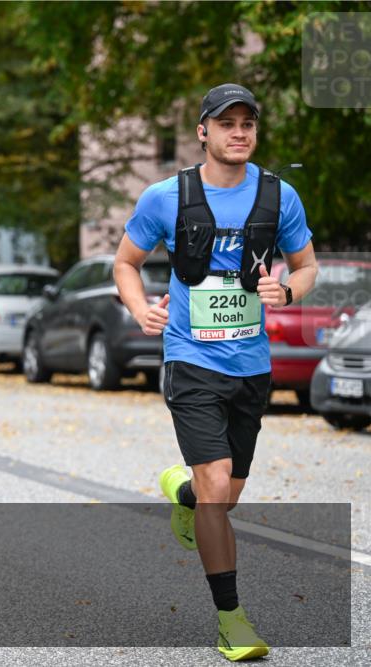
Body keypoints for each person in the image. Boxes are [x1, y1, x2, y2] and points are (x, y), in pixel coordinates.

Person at [114, 83, 318, 662]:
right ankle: (232, 618)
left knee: (222, 499)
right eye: (226, 123)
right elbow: (126, 263)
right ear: (202, 131)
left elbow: (307, 267)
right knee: (215, 482)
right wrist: (138, 307)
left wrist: (288, 287)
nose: (239, 133)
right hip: (190, 360)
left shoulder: (280, 197)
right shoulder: (166, 197)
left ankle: (180, 491)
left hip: (251, 365)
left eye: (248, 123)